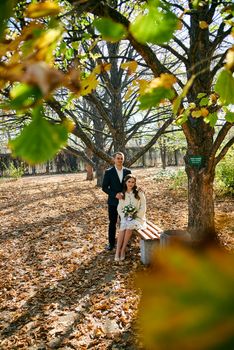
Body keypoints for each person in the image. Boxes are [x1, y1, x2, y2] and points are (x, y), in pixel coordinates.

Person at [102, 152, 131, 251]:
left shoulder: (128, 171)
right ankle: (111, 243)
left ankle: (124, 242)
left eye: (121, 158)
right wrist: (115, 194)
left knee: (126, 222)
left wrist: (124, 193)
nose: (120, 160)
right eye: (118, 158)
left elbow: (131, 185)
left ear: (123, 159)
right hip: (113, 202)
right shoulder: (109, 172)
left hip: (125, 201)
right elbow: (104, 187)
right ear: (114, 159)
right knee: (113, 222)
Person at [115, 174, 146, 261]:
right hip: (126, 216)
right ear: (125, 182)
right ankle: (117, 251)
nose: (131, 184)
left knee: (129, 227)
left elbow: (143, 206)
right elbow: (119, 208)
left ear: (135, 183)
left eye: (133, 182)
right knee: (123, 227)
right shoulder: (122, 194)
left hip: (138, 218)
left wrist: (136, 215)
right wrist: (124, 216)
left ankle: (123, 249)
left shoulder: (139, 192)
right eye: (129, 181)